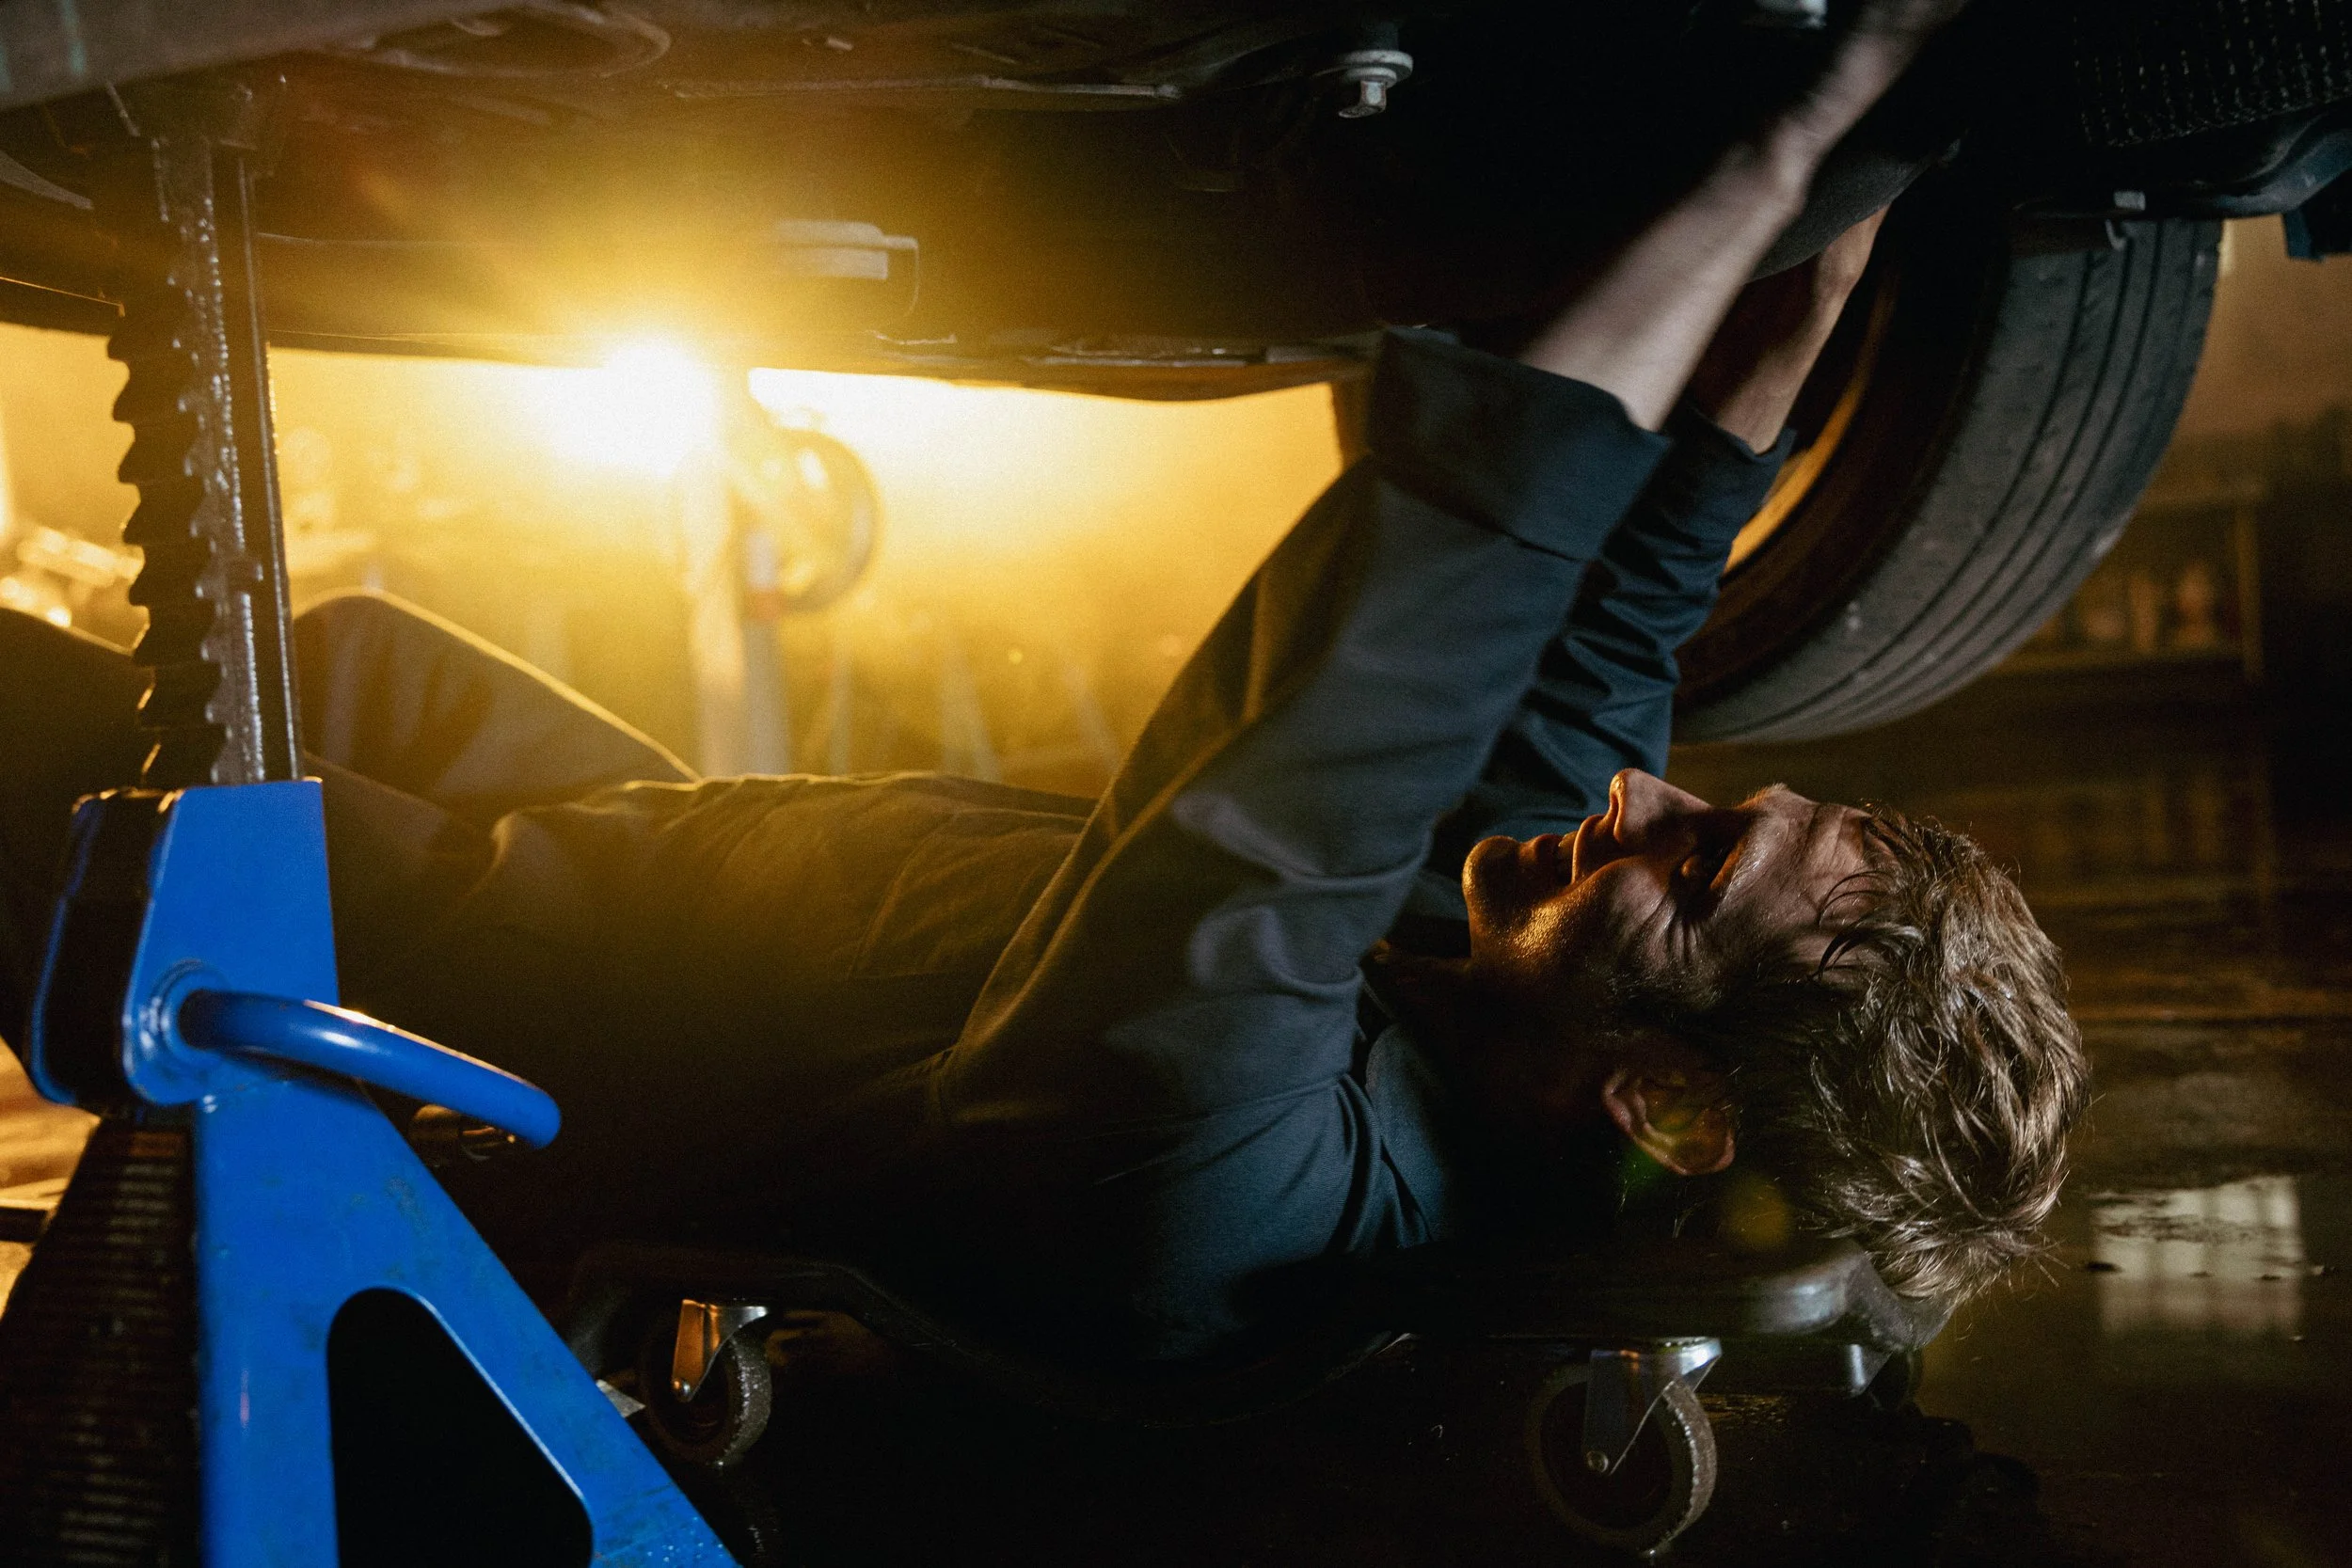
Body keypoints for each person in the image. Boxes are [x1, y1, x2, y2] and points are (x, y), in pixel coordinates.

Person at [0, 0, 2083, 1370]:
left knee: (80, 769)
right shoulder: (1509, 1009)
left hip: (427, 988)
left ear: (1665, 1104)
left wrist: (1775, 136)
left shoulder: (1214, 1187)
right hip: (648, 862)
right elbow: (1642, 563)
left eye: (1694, 865)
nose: (1637, 796)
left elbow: (1431, 586)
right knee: (360, 657)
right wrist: (1879, 167)